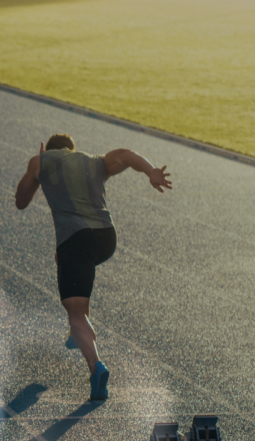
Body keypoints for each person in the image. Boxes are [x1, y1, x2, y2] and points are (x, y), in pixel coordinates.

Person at [15, 133, 172, 401]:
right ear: (72, 149)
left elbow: (21, 201)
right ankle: (78, 331)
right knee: (69, 270)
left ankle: (95, 365)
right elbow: (125, 154)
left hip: (76, 240)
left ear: (49, 150)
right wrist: (151, 171)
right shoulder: (93, 161)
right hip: (105, 238)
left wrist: (38, 167)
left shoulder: (41, 161)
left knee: (75, 311)